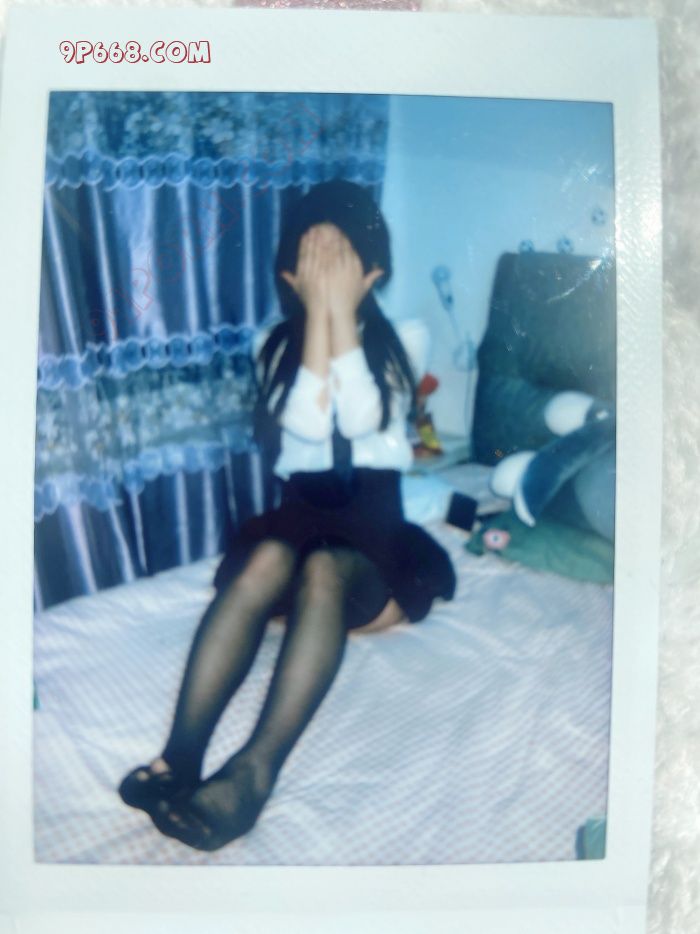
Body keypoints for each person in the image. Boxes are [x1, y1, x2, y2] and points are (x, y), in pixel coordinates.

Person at [118, 180, 456, 852]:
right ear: (288, 274)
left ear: (373, 273)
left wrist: (337, 315)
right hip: (298, 519)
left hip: (372, 538)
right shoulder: (270, 342)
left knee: (326, 569)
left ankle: (252, 773)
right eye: (313, 264)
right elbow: (302, 421)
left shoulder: (406, 338)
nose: (324, 276)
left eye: (339, 263)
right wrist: (317, 323)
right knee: (270, 556)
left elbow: (362, 420)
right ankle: (181, 755)